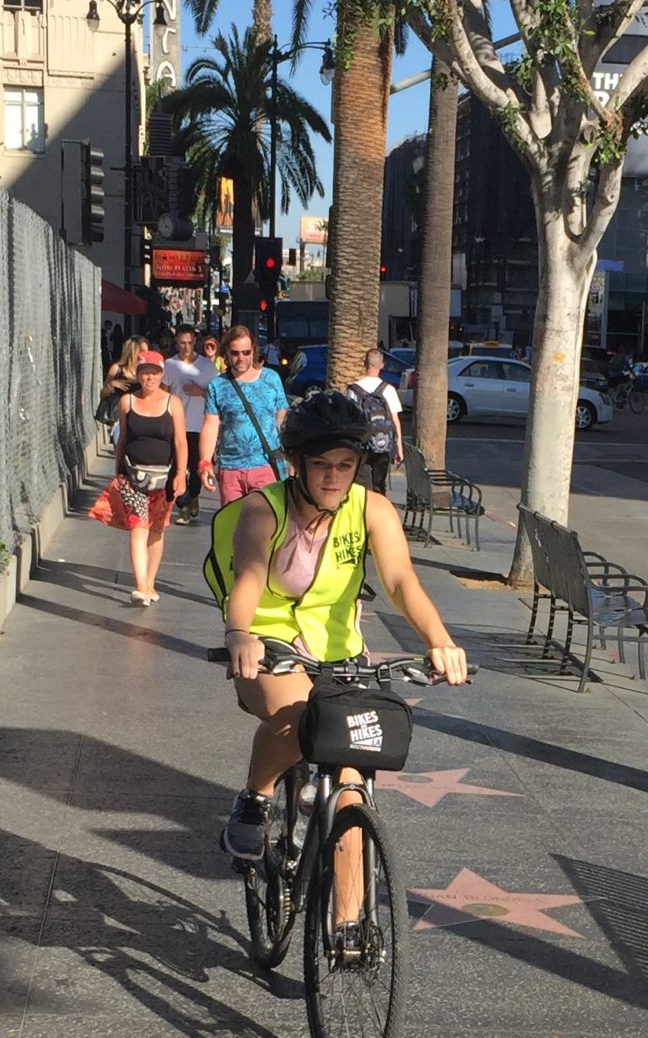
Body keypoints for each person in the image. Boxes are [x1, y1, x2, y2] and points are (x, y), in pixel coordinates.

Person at [210, 390, 468, 863]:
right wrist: (238, 634)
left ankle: (349, 931)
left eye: (346, 464)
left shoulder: (371, 509)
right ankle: (255, 798)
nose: (334, 477)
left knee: (353, 788)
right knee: (297, 714)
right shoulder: (263, 509)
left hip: (341, 655)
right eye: (321, 464)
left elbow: (400, 580)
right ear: (296, 463)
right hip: (271, 647)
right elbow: (247, 578)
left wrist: (441, 642)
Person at [104, 347, 187, 605]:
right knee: (138, 527)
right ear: (138, 375)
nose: (149, 378)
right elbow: (123, 439)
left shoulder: (172, 402)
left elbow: (181, 442)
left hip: (163, 476)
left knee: (156, 530)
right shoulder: (127, 402)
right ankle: (140, 586)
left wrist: (181, 474)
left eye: (154, 373)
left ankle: (150, 582)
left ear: (161, 375)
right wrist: (118, 470)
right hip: (133, 475)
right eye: (144, 373)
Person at [198, 327, 289, 508]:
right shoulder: (218, 385)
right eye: (235, 353)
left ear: (254, 351)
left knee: (264, 528)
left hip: (265, 465)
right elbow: (210, 426)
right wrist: (205, 463)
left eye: (246, 352)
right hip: (231, 468)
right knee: (233, 529)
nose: (241, 358)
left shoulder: (271, 378)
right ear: (226, 353)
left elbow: (282, 419)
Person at [162, 322, 215, 524]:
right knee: (176, 467)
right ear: (177, 343)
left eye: (189, 343)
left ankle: (193, 496)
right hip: (176, 425)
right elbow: (164, 393)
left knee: (196, 468)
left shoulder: (207, 367)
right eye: (182, 343)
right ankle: (182, 505)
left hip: (199, 425)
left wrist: (200, 392)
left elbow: (217, 395)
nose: (186, 347)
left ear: (195, 343)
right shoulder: (170, 365)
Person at [347, 346, 405, 497]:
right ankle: (377, 513)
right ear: (382, 365)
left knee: (362, 487)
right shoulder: (388, 390)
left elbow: (348, 419)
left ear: (364, 364)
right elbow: (395, 420)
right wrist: (398, 447)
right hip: (383, 444)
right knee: (380, 486)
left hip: (361, 445)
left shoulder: (354, 390)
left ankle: (363, 514)